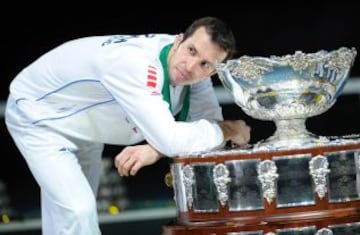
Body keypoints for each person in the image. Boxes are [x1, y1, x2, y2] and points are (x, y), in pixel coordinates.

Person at [5, 16, 251, 235]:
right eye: (191, 51)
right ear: (178, 40)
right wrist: (229, 129)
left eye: (206, 64)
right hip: (40, 115)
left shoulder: (195, 72)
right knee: (77, 212)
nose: (191, 66)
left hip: (85, 124)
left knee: (67, 220)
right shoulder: (137, 65)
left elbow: (207, 136)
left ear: (213, 72)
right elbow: (184, 138)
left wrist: (155, 149)